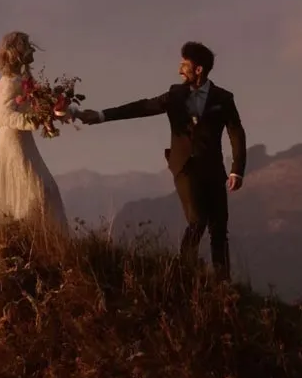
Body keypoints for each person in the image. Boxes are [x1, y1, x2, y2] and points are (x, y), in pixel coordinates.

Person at [80, 41, 245, 278]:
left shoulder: (224, 98)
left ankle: (223, 282)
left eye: (184, 65)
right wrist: (102, 115)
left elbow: (236, 132)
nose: (179, 71)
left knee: (219, 228)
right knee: (197, 220)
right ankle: (185, 272)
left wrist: (236, 169)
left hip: (214, 169)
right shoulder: (175, 94)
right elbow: (143, 107)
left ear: (198, 69)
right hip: (184, 167)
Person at [0, 31, 70, 237]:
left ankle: (42, 238)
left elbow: (43, 103)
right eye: (27, 45)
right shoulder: (8, 83)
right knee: (37, 189)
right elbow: (1, 115)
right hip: (13, 140)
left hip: (23, 140)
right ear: (19, 52)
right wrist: (33, 120)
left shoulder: (23, 81)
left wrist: (66, 112)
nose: (32, 49)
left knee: (42, 189)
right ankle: (32, 236)